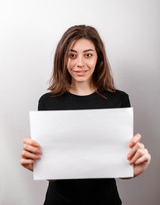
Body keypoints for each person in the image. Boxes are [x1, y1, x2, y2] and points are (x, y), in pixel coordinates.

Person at [21, 25, 151, 205]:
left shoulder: (118, 100)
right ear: (63, 58)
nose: (79, 63)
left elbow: (121, 168)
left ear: (99, 59)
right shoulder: (48, 101)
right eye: (72, 55)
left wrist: (136, 168)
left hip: (106, 201)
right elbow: (52, 175)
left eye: (88, 55)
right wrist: (37, 166)